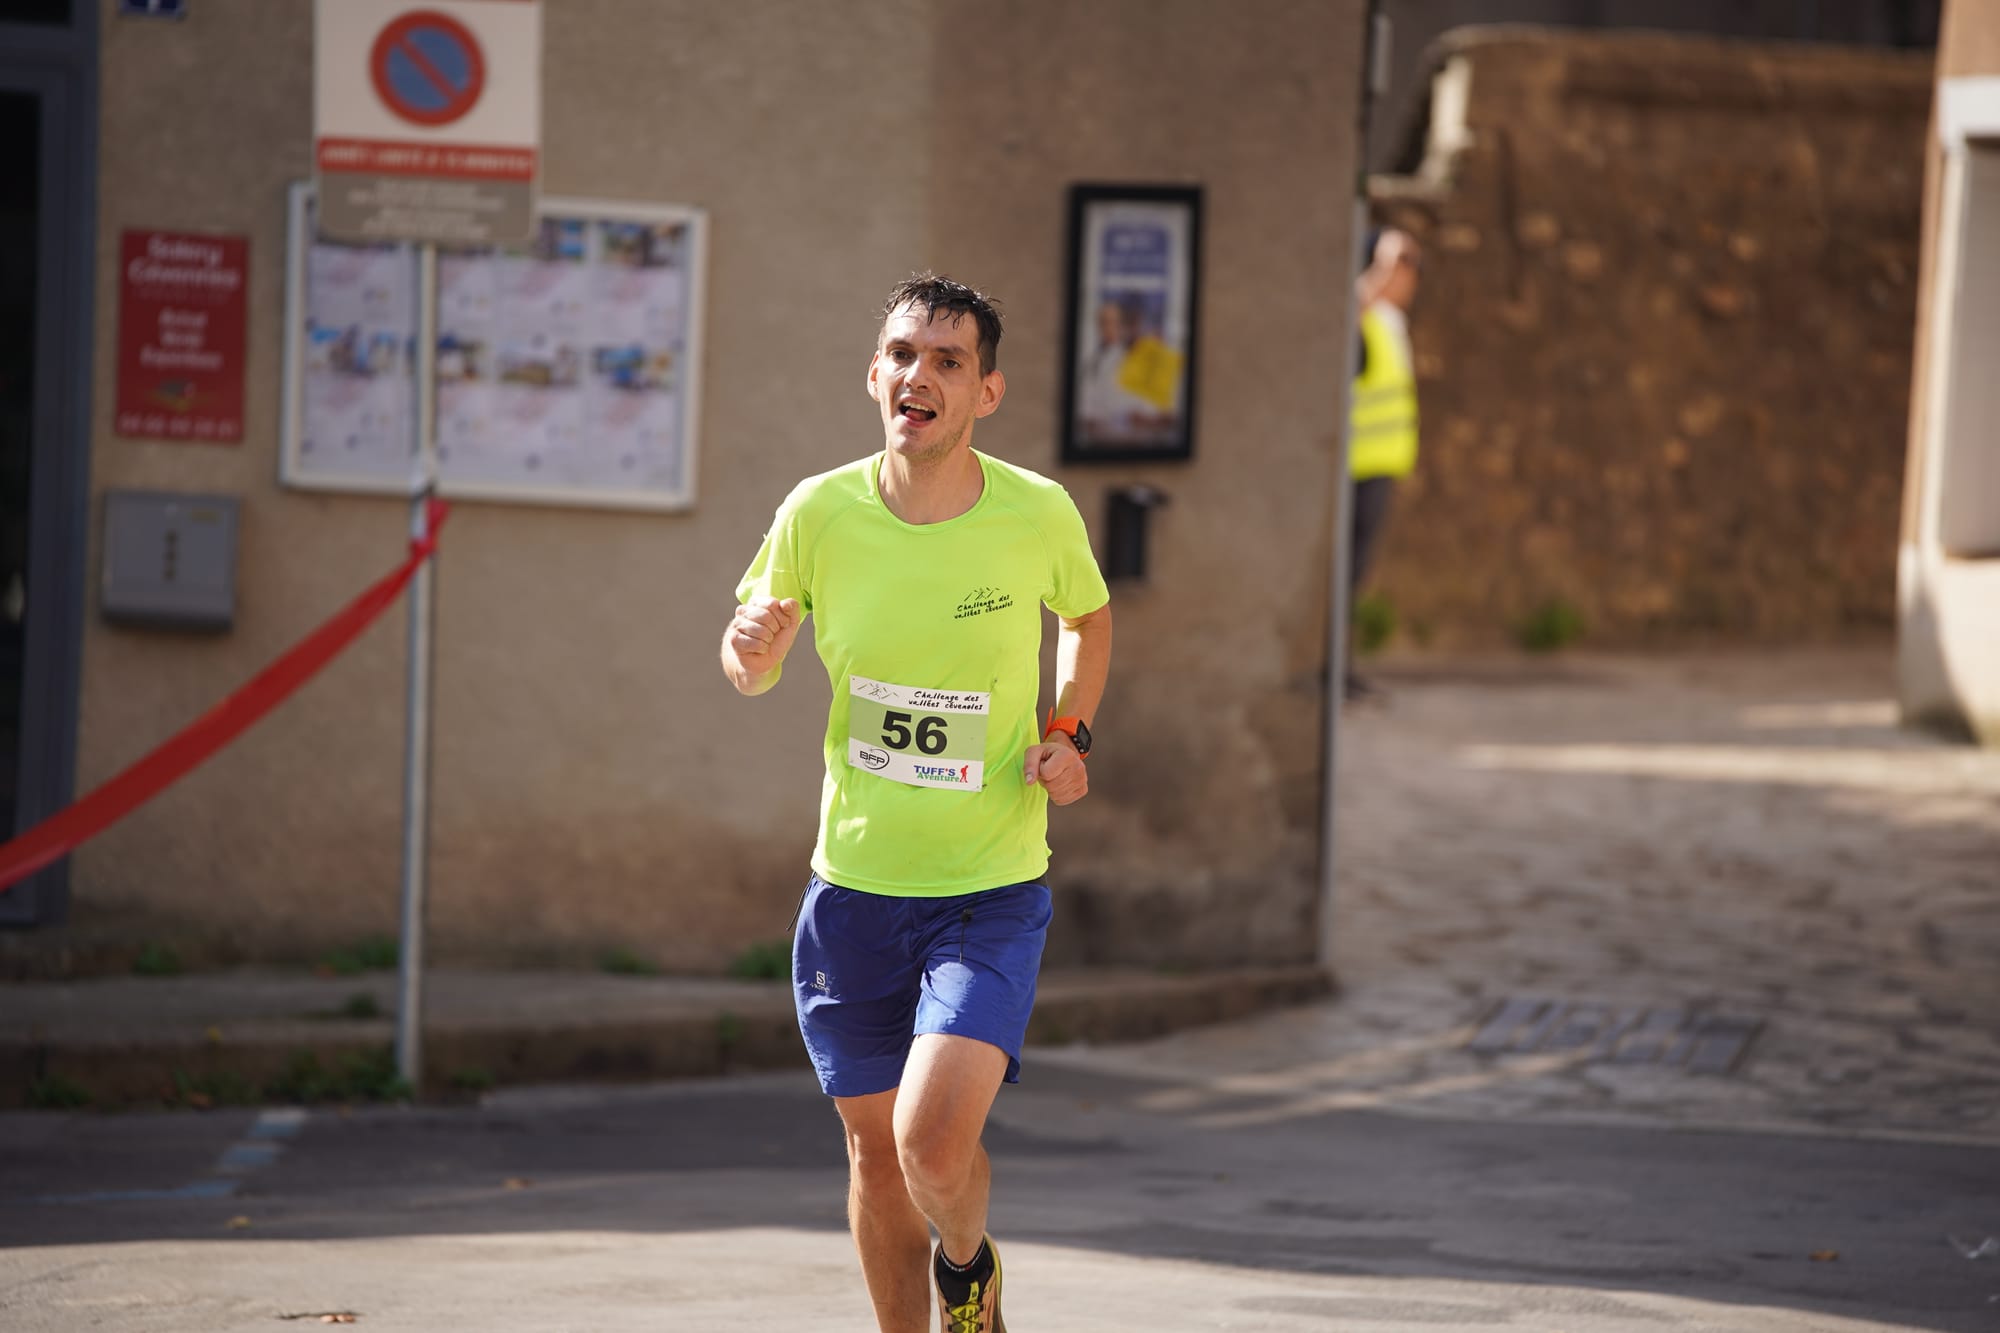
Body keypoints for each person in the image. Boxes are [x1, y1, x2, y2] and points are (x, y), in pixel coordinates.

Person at [721, 273, 1113, 1333]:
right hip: (852, 890)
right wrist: (746, 650)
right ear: (873, 376)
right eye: (902, 354)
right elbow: (753, 650)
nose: (918, 375)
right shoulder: (818, 511)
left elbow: (1085, 616)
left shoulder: (1034, 512)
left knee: (928, 1141)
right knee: (871, 1155)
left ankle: (967, 1265)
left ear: (986, 392)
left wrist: (1067, 732)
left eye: (946, 361)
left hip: (986, 886)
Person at [1346, 227, 1422, 701]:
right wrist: (1378, 270)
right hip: (1353, 469)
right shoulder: (1362, 311)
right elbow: (1347, 308)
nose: (1410, 275)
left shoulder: (1390, 321)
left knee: (1355, 578)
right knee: (1342, 578)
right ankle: (1335, 672)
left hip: (1379, 466)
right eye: (1403, 264)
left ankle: (1344, 668)